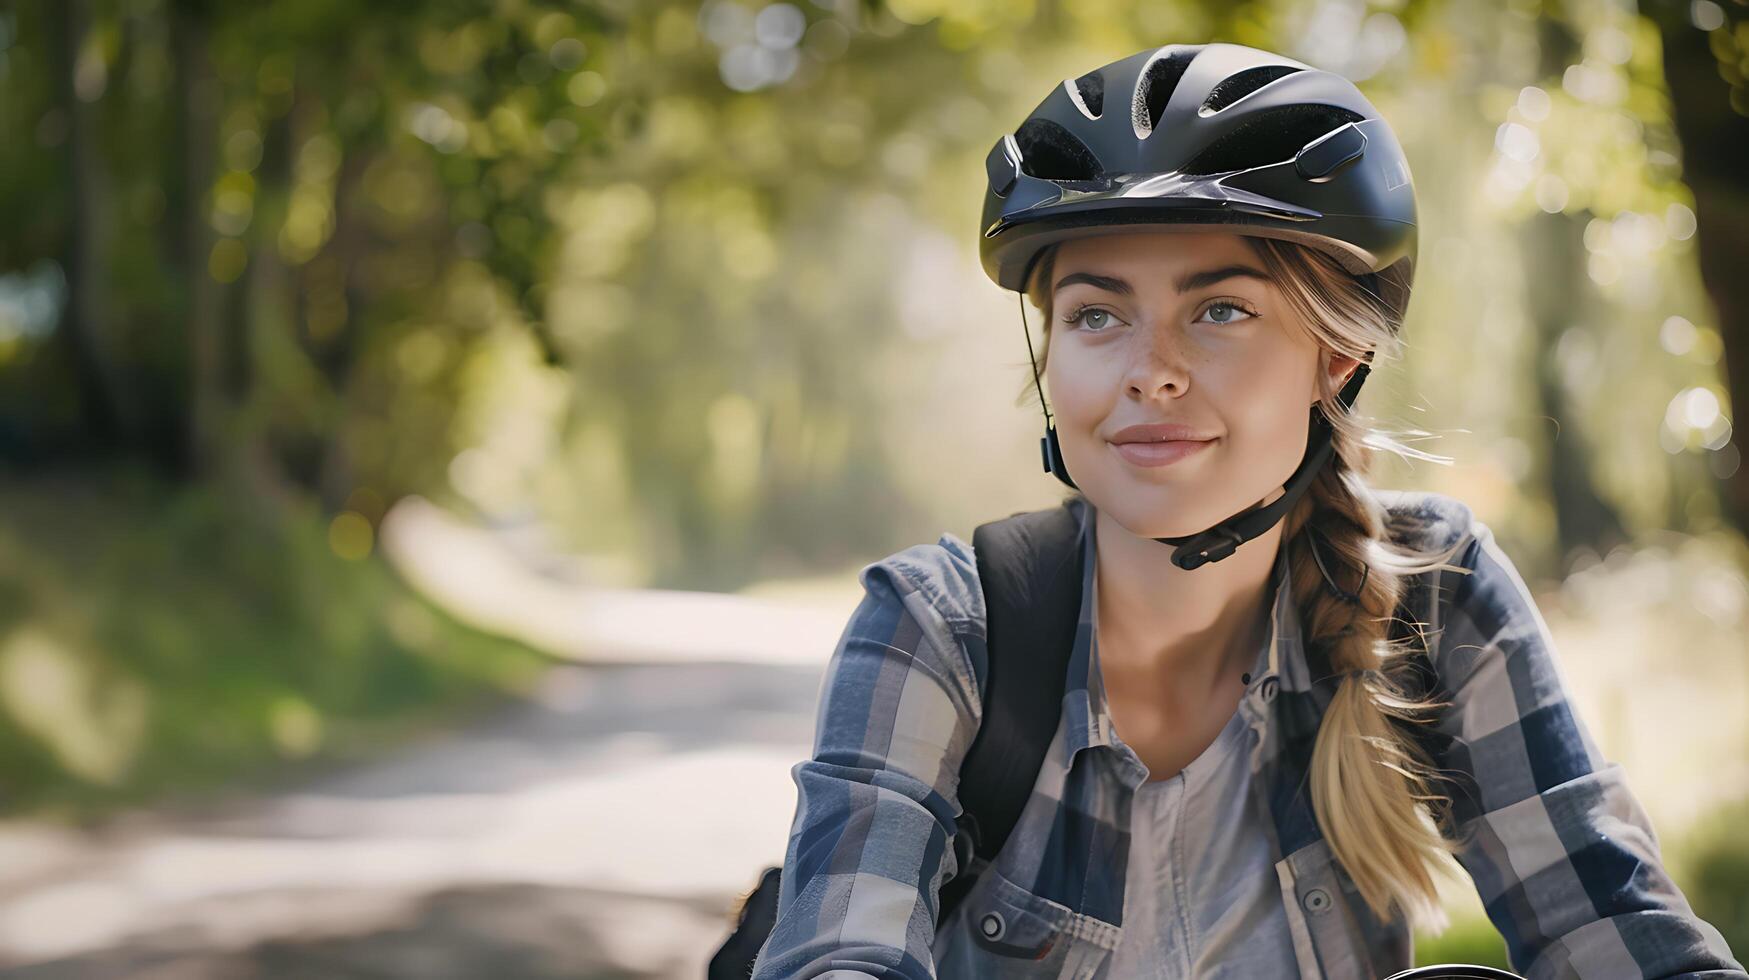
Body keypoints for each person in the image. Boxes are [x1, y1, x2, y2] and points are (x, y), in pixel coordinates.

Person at [749, 42, 1744, 979]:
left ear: (1336, 358)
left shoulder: (1431, 593)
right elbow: (844, 946)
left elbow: (1613, 927)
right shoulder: (942, 630)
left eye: (1219, 309)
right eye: (1097, 314)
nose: (1151, 374)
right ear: (1050, 354)